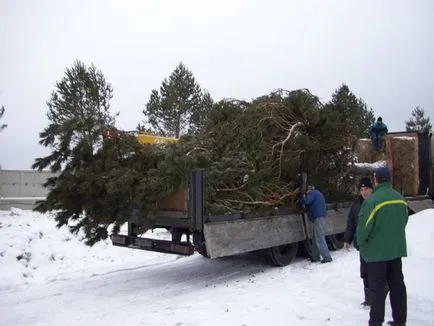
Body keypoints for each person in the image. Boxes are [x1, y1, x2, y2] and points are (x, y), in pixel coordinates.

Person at [356, 167, 408, 326]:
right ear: (389, 179)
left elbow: (364, 229)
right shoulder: (399, 198)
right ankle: (400, 320)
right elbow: (404, 221)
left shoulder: (372, 201)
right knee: (397, 286)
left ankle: (376, 322)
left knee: (377, 290)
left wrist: (361, 244)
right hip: (395, 250)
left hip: (377, 254)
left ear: (376, 179)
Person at [343, 176, 374, 306]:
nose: (364, 192)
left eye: (366, 189)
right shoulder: (356, 205)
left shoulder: (376, 202)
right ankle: (368, 299)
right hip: (362, 244)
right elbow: (351, 223)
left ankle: (377, 296)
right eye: (362, 189)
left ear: (372, 189)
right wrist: (347, 239)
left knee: (376, 272)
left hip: (375, 244)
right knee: (365, 272)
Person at [299, 185, 332, 264]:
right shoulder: (318, 193)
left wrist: (301, 199)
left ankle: (327, 257)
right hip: (319, 218)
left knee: (320, 238)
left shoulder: (312, 193)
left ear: (309, 190)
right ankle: (315, 257)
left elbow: (307, 201)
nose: (307, 193)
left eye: (307, 191)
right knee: (315, 238)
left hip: (318, 218)